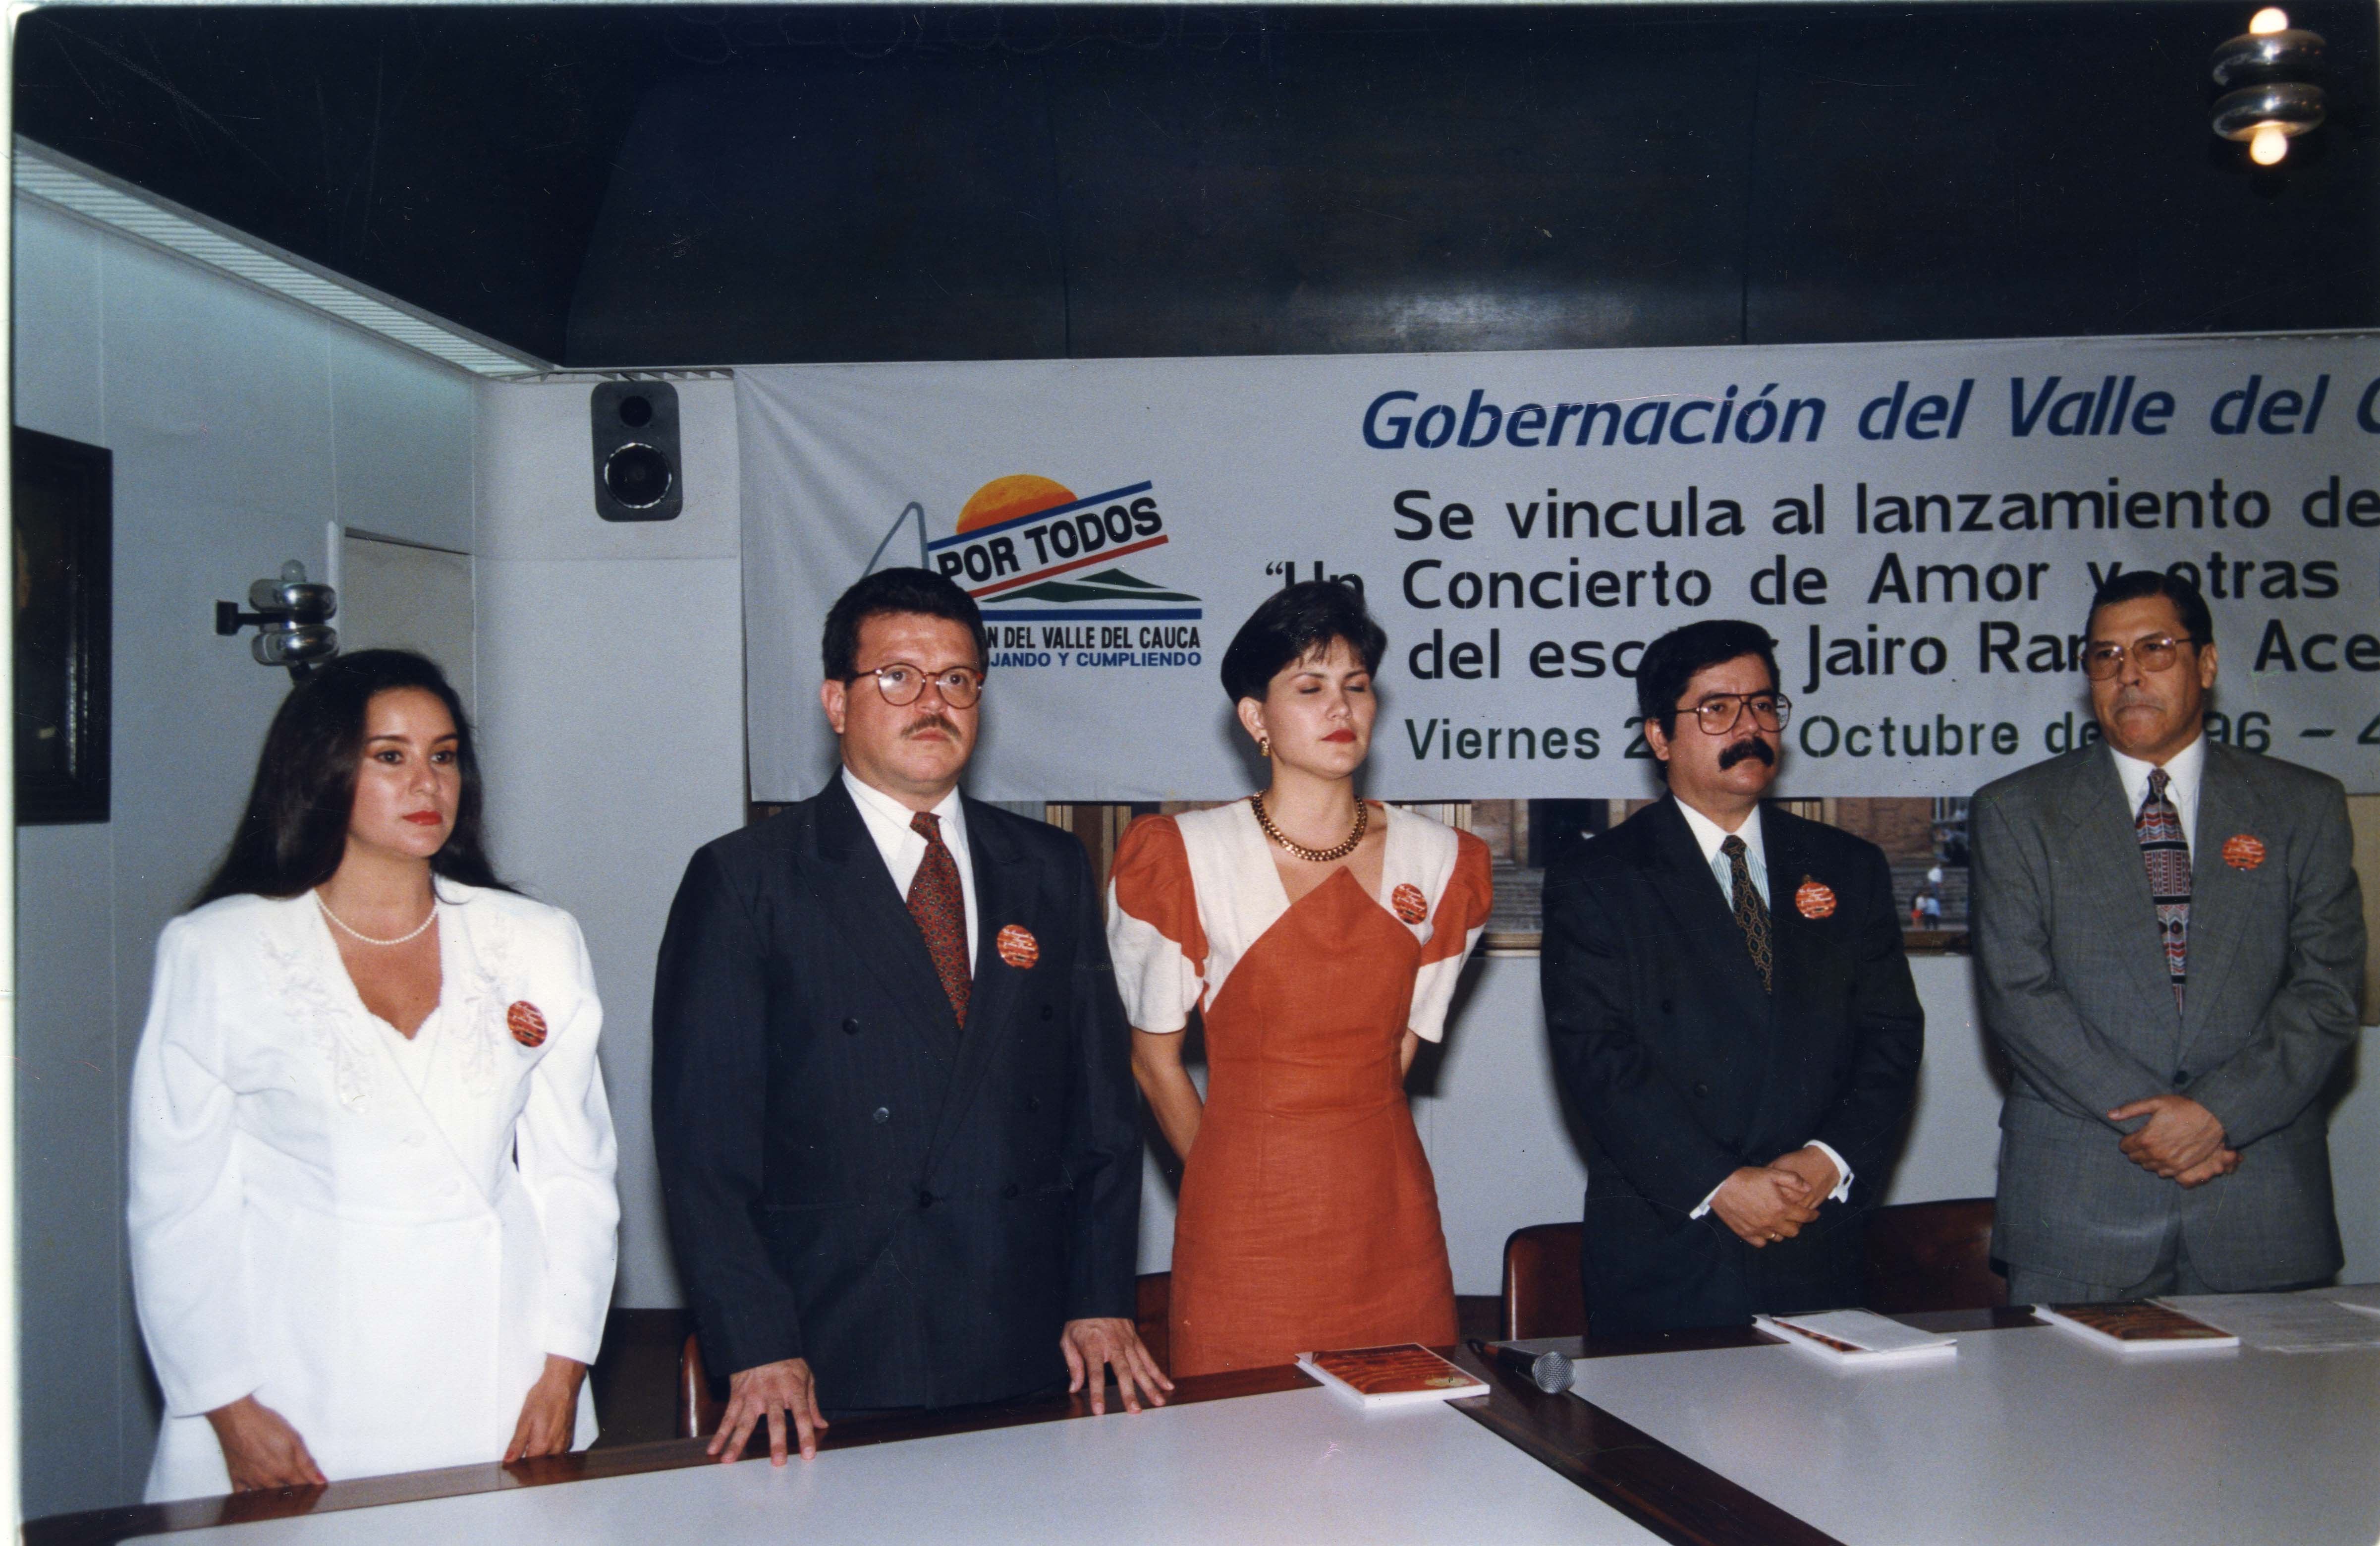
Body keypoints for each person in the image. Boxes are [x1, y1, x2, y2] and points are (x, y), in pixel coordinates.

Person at [653, 567, 1165, 1467]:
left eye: (957, 680)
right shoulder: (748, 879)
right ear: (836, 703)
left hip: (1032, 1333)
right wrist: (758, 1340)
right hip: (834, 1347)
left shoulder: (1048, 867)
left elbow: (1102, 1117)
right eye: (898, 677)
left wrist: (1100, 1298)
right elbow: (705, 1148)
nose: (933, 703)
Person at [127, 650, 619, 1501]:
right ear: (321, 771)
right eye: (390, 756)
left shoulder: (535, 939)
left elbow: (577, 1176)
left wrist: (564, 1368)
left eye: (444, 755)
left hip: (497, 1376)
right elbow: (177, 1208)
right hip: (301, 1384)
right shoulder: (219, 951)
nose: (427, 783)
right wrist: (228, 1408)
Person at [1110, 581, 1492, 1375]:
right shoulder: (1183, 855)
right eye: (1310, 688)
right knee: (1241, 1444)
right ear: (1256, 719)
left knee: (1411, 1436)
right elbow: (1153, 1062)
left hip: (1389, 1222)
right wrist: (1230, 1180)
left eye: (1357, 686)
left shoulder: (1444, 860)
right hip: (1242, 1224)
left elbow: (1399, 1052)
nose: (1341, 708)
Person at [1971, 570, 2365, 1302]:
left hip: (2258, 1201)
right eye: (2106, 656)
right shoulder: (2016, 812)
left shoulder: (2302, 806)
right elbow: (2019, 997)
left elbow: (2326, 992)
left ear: (2206, 664)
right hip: (2082, 1208)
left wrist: (2218, 1116)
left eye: (2154, 649)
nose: (2129, 675)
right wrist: (2166, 1125)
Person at [1542, 620, 1922, 1336]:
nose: (1750, 728)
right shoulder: (1598, 879)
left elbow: (1892, 1037)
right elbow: (1598, 1059)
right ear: (1660, 737)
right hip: (1673, 1248)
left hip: (1815, 1231)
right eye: (1717, 709)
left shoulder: (1848, 866)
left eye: (1764, 705)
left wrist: (1829, 1160)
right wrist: (1719, 1183)